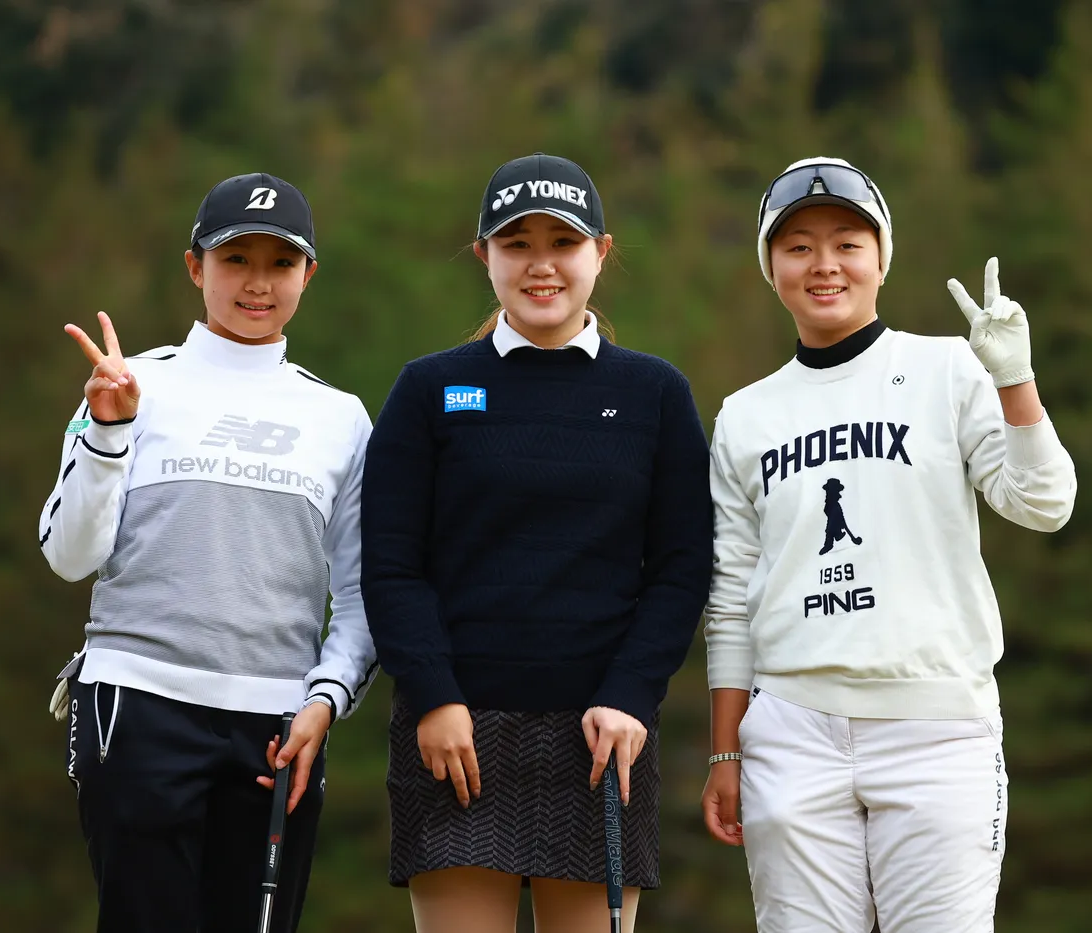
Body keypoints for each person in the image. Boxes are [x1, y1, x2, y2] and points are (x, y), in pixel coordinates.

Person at [700, 157, 1077, 932]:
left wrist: (1014, 378)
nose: (824, 264)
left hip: (937, 727)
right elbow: (732, 596)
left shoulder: (947, 368)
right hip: (792, 730)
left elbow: (1044, 503)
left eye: (848, 243)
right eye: (798, 246)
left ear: (881, 258)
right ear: (771, 267)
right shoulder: (745, 415)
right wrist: (725, 751)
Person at [360, 153, 713, 933]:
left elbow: (682, 566)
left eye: (564, 243)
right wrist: (433, 694)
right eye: (517, 244)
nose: (541, 264)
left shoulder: (655, 393)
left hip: (603, 736)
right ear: (483, 254)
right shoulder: (427, 389)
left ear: (602, 252)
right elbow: (390, 564)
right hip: (454, 735)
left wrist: (632, 693)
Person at [39, 172, 377, 933]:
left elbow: (362, 592)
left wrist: (325, 699)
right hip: (136, 705)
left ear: (308, 274)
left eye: (281, 263)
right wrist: (108, 431)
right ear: (196, 266)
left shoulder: (341, 418)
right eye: (235, 260)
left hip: (278, 727)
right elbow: (68, 554)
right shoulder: (127, 384)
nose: (258, 283)